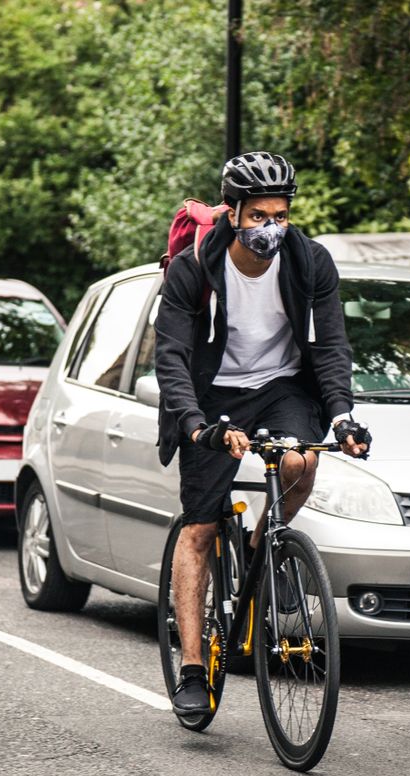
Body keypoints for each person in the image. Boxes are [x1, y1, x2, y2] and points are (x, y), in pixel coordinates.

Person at [154, 151, 371, 717]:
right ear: (233, 213)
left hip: (281, 385)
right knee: (199, 528)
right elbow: (172, 356)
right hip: (211, 391)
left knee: (302, 462)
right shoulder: (194, 270)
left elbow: (330, 347)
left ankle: (263, 549)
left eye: (281, 215)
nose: (271, 227)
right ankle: (194, 668)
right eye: (259, 217)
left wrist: (343, 414)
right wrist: (195, 425)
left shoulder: (310, 263)